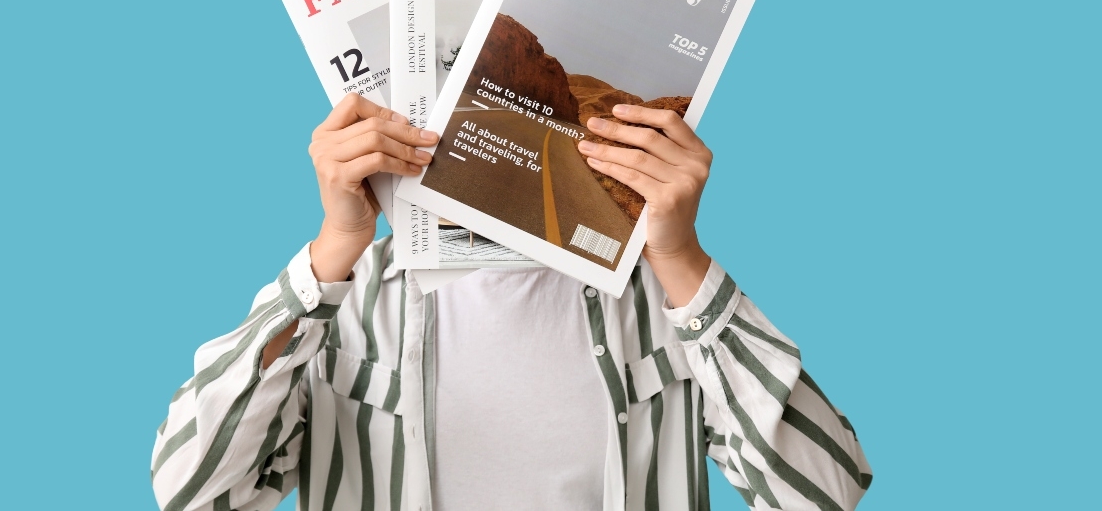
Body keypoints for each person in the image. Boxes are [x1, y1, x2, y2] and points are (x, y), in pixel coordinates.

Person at [151, 94, 872, 511]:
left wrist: (679, 258)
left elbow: (824, 491)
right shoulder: (338, 305)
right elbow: (192, 492)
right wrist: (335, 245)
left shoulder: (663, 302)